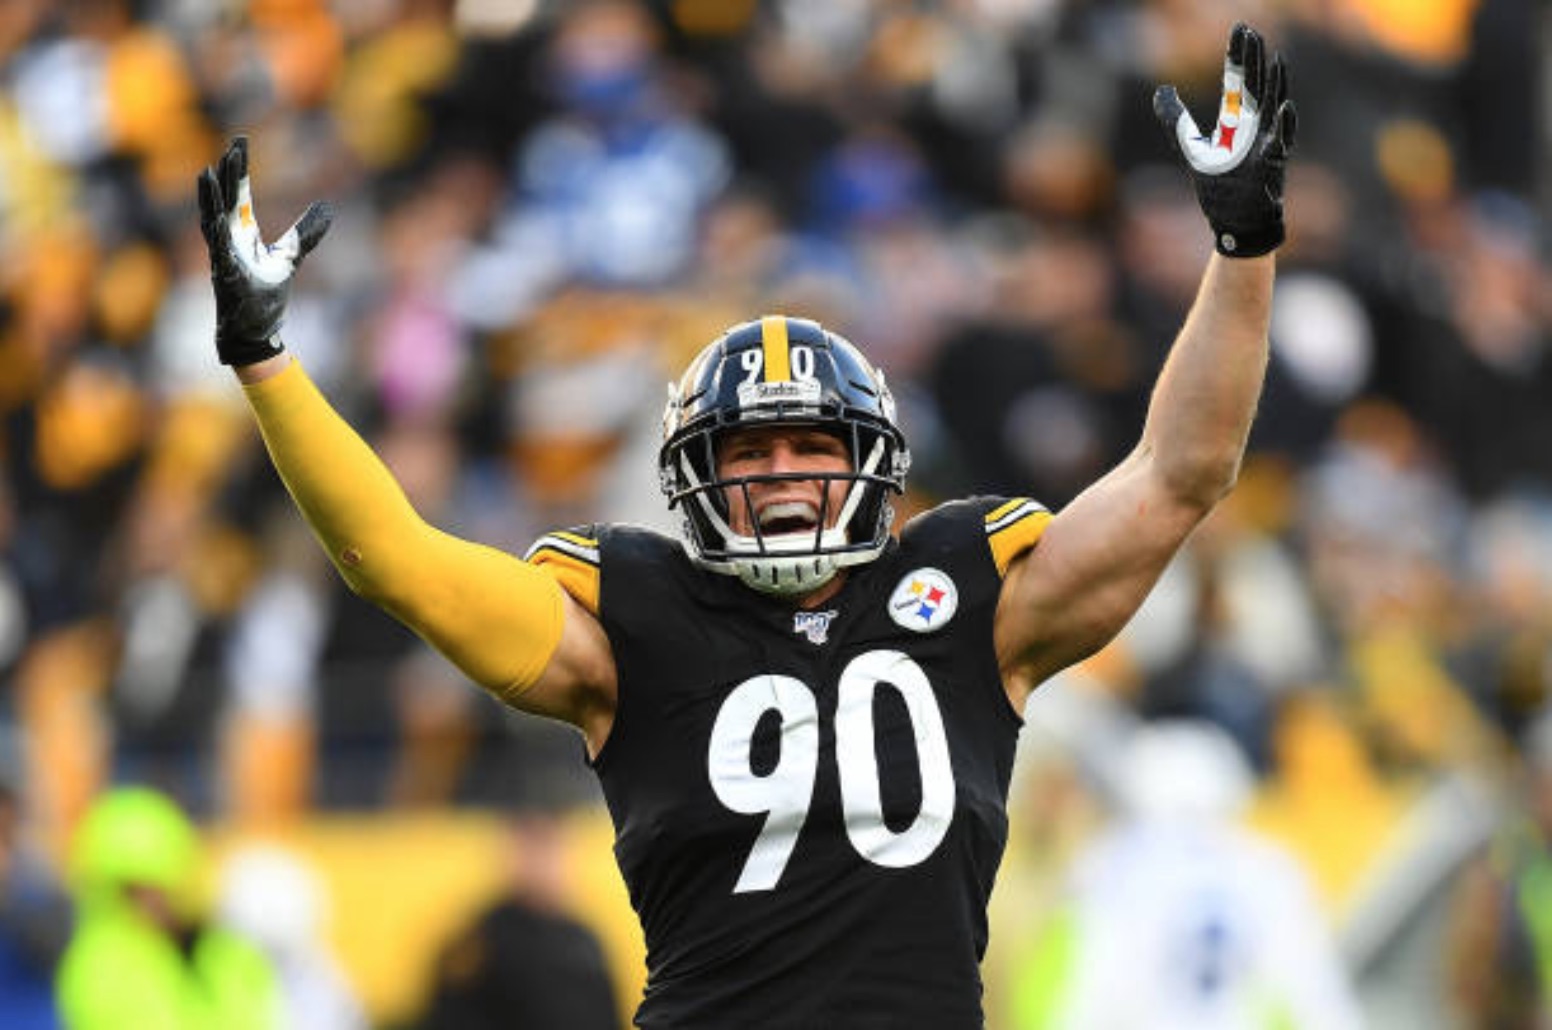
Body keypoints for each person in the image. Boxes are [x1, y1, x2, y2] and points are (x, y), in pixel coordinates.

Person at [197, 21, 1296, 1029]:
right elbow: (392, 559)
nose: (779, 474)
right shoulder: (633, 619)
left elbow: (1181, 474)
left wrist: (1242, 249)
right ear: (689, 478)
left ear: (871, 461)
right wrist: (267, 363)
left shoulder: (973, 595)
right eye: (748, 452)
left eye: (809, 445)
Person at [53, 786, 280, 1030]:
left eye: (158, 885)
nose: (151, 901)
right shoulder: (98, 968)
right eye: (133, 889)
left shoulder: (226, 950)